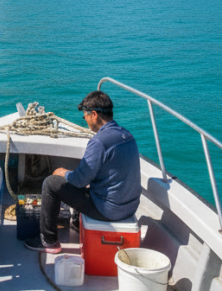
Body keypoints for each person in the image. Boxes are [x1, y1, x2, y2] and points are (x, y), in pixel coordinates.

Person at [25, 90, 140, 253]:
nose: (85, 120)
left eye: (85, 116)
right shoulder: (127, 135)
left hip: (108, 211)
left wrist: (62, 172)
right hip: (130, 207)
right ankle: (77, 224)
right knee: (83, 182)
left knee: (51, 184)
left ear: (94, 114)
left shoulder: (98, 142)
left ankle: (49, 241)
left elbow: (79, 180)